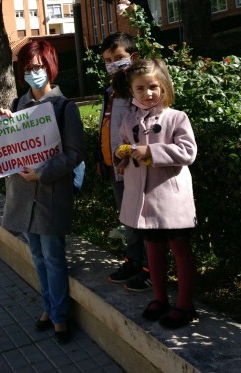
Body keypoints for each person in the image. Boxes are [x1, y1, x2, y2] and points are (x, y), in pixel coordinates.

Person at [0, 40, 84, 345]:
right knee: (37, 255)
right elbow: (13, 146)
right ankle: (49, 307)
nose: (34, 72)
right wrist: (2, 129)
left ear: (50, 66)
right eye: (28, 67)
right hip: (24, 195)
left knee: (54, 257)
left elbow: (74, 154)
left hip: (50, 194)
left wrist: (43, 173)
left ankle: (60, 316)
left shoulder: (64, 107)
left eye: (39, 66)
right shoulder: (19, 105)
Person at [116, 58, 198, 329]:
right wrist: (122, 154)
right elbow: (125, 147)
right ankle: (160, 298)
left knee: (180, 249)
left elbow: (188, 152)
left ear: (163, 86)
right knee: (153, 247)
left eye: (153, 86)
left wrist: (151, 152)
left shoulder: (176, 117)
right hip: (145, 198)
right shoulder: (130, 120)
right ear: (132, 91)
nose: (147, 93)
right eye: (140, 88)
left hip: (171, 199)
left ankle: (185, 305)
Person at [98, 33, 150, 291]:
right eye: (108, 60)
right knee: (128, 219)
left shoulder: (139, 90)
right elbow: (108, 127)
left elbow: (142, 129)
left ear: (133, 57)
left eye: (118, 58)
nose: (112, 64)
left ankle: (149, 268)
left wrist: (128, 157)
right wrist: (103, 159)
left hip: (135, 168)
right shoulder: (109, 92)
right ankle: (133, 261)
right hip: (114, 168)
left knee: (143, 219)